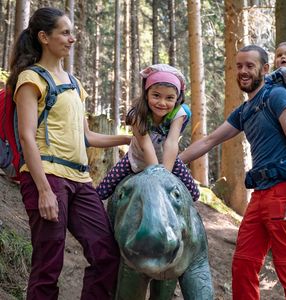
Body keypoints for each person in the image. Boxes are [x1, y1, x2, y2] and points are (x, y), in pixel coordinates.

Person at [8, 7, 131, 299]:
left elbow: (87, 136)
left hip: (80, 180)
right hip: (47, 177)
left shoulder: (75, 84)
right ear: (43, 37)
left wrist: (127, 138)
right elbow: (27, 136)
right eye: (64, 32)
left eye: (71, 32)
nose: (72, 38)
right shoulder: (30, 79)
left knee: (105, 254)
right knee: (48, 264)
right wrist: (43, 191)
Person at [179, 45, 286, 299]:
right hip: (260, 196)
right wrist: (171, 163)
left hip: (285, 194)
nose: (243, 71)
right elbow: (209, 141)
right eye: (239, 66)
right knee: (243, 264)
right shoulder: (245, 110)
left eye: (249, 66)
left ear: (264, 69)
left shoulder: (277, 96)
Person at [96, 64, 200, 201]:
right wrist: (157, 176)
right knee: (102, 191)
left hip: (167, 159)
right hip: (137, 157)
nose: (162, 103)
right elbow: (146, 146)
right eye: (156, 95)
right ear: (146, 94)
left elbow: (171, 142)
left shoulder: (179, 113)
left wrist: (165, 176)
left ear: (177, 98)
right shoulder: (137, 115)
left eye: (169, 98)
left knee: (194, 193)